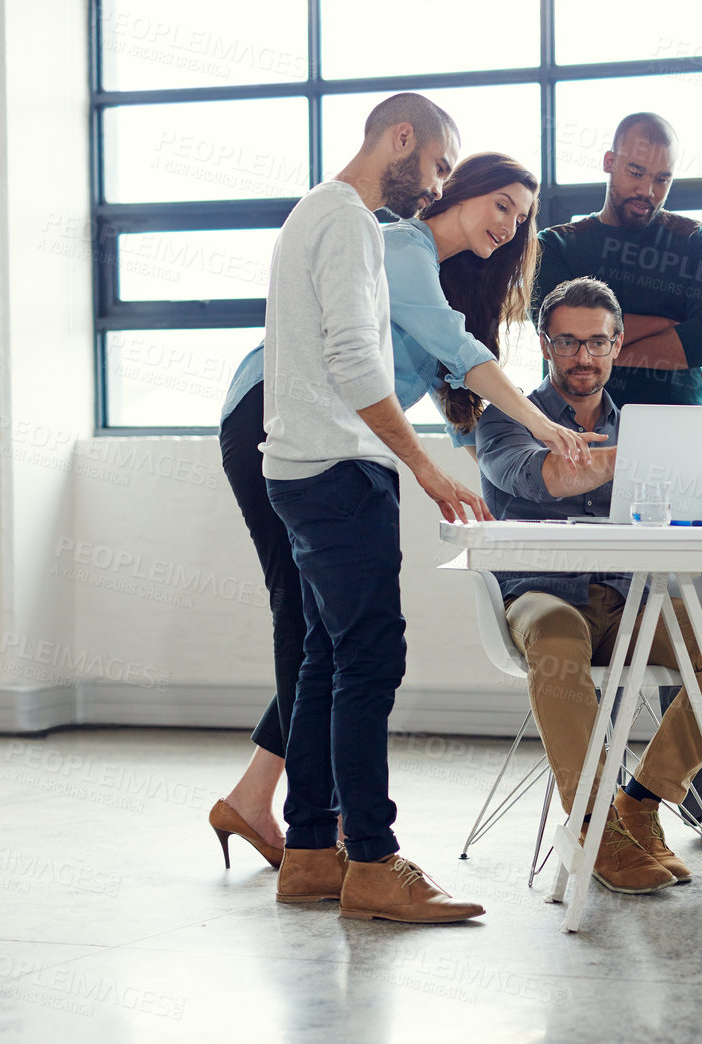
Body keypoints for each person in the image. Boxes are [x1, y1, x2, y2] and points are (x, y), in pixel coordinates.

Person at [209, 149, 601, 878]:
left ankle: (265, 807)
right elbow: (457, 353)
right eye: (502, 206)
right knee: (316, 624)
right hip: (276, 412)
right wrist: (542, 426)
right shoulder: (398, 245)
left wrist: (545, 455)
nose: (510, 227)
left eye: (521, 219)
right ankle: (315, 838)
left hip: (336, 431)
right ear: (458, 191)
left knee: (328, 629)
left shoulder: (443, 284)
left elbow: (464, 401)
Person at [476, 276, 702, 894]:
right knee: (557, 639)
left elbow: (691, 505)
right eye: (568, 342)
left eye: (598, 343)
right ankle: (593, 827)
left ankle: (640, 802)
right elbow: (547, 479)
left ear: (617, 346)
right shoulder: (505, 419)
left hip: (630, 599)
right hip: (543, 595)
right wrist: (655, 457)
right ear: (544, 343)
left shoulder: (643, 425)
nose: (583, 358)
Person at [531, 113, 702, 409]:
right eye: (636, 172)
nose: (647, 190)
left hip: (681, 430)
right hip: (575, 432)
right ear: (609, 162)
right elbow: (557, 333)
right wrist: (671, 326)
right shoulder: (553, 246)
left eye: (662, 179)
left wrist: (595, 357)